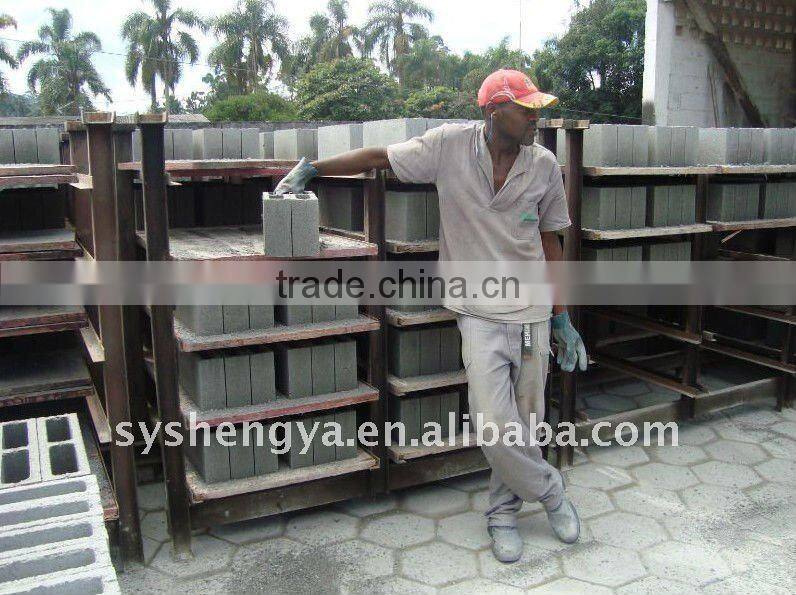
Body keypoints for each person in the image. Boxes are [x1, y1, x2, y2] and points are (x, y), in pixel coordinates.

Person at [273, 69, 588, 564]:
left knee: (526, 424)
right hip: (478, 311)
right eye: (526, 109)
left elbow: (551, 241)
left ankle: (502, 514)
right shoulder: (448, 147)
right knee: (494, 425)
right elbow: (379, 157)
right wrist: (313, 168)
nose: (536, 118)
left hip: (532, 312)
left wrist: (562, 318)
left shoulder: (544, 165)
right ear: (494, 111)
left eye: (536, 110)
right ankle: (551, 493)